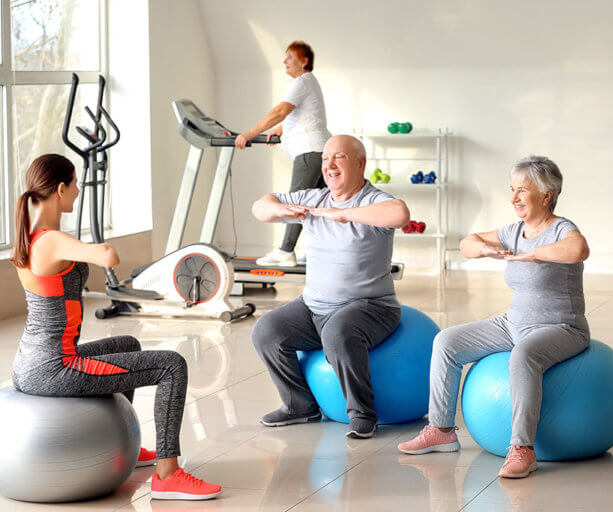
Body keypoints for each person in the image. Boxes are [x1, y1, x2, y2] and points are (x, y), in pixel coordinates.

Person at [10, 154, 222, 501]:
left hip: (30, 364)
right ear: (60, 189)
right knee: (172, 365)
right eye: (75, 185)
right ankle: (168, 475)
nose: (78, 192)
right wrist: (99, 249)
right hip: (54, 368)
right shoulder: (49, 241)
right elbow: (109, 255)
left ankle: (126, 446)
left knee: (127, 343)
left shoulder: (32, 236)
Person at [398, 156, 591, 479]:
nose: (513, 197)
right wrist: (486, 249)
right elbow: (466, 244)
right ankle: (441, 430)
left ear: (546, 195)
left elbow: (578, 250)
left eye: (522, 191)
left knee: (524, 354)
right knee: (447, 341)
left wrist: (534, 254)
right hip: (513, 323)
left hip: (561, 327)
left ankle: (522, 449)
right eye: (512, 190)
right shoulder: (514, 231)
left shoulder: (561, 229)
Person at [250, 135, 410, 439]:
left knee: (338, 332)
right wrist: (278, 209)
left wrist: (344, 214)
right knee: (266, 330)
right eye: (325, 159)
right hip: (313, 307)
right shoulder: (314, 198)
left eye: (339, 157)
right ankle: (300, 406)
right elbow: (260, 205)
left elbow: (400, 214)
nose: (330, 165)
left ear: (360, 163)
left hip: (371, 308)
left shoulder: (373, 199)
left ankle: (363, 414)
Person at [235, 40, 331, 267]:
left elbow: (279, 112)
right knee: (315, 205)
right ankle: (320, 250)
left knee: (297, 202)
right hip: (318, 150)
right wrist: (282, 129)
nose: (285, 61)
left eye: (290, 56)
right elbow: (307, 114)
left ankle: (286, 251)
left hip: (310, 152)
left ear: (304, 61)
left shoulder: (302, 81)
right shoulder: (309, 83)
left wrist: (248, 134)